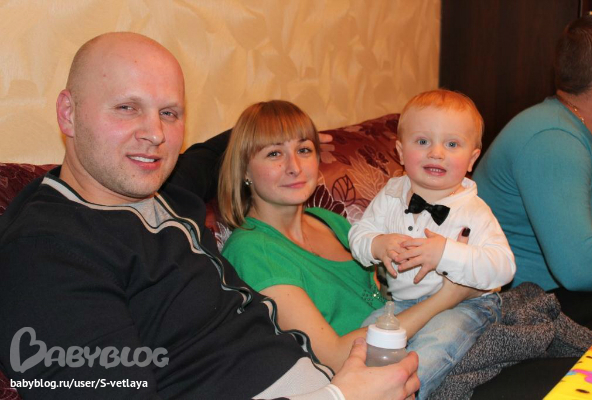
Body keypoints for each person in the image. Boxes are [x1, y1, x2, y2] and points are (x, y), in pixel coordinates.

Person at [0, 32, 419, 400]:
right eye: (127, 107)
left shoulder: (162, 187)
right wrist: (340, 395)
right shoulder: (44, 254)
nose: (155, 134)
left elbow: (217, 150)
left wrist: (290, 138)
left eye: (169, 113)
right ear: (68, 113)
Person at [219, 100, 481, 377]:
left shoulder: (327, 220)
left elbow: (388, 292)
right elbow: (333, 357)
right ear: (244, 169)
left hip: (424, 339)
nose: (294, 166)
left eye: (304, 150)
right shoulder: (251, 251)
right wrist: (449, 296)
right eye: (274, 154)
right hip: (372, 374)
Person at [348, 89, 516, 398]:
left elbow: (504, 267)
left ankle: (406, 394)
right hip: (402, 303)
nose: (436, 153)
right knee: (363, 342)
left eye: (452, 144)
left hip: (468, 303)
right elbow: (359, 233)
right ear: (401, 152)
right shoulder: (390, 195)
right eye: (423, 141)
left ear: (472, 158)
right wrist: (377, 244)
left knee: (435, 346)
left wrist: (446, 253)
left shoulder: (474, 210)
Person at [473, 14, 592, 331]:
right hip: (521, 310)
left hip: (557, 297)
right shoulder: (554, 140)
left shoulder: (574, 130)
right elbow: (579, 269)